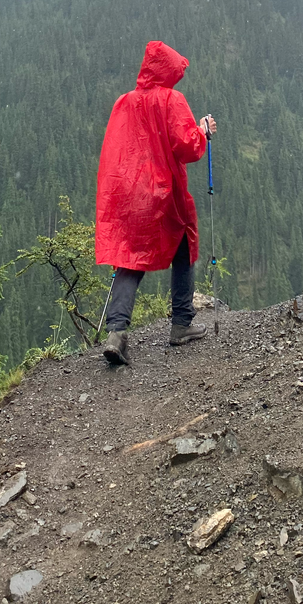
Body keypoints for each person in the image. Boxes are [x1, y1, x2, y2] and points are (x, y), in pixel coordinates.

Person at [96, 40, 217, 365]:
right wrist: (202, 131)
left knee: (130, 259)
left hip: (129, 194)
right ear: (169, 71)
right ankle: (181, 324)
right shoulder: (171, 99)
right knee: (183, 248)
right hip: (164, 191)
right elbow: (185, 147)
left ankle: (117, 334)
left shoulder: (125, 102)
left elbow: (118, 147)